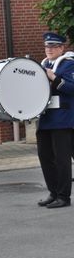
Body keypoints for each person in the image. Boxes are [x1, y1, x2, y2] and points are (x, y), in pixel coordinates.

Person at [37, 32, 74, 208]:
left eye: (53, 46)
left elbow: (72, 88)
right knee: (45, 157)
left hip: (63, 119)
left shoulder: (68, 64)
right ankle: (53, 192)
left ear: (61, 48)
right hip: (45, 119)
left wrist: (53, 77)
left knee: (62, 159)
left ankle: (64, 196)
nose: (49, 49)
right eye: (47, 46)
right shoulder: (43, 65)